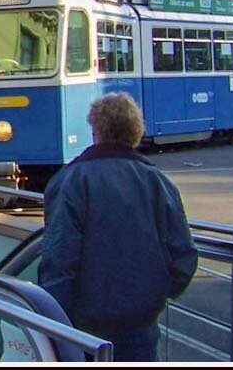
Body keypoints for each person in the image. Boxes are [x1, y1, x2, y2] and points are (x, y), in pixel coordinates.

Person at [38, 92, 198, 362]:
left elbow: (59, 259)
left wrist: (52, 319)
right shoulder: (158, 182)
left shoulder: (71, 181)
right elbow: (184, 257)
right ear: (135, 131)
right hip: (142, 325)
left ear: (95, 130)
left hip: (85, 327)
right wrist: (154, 294)